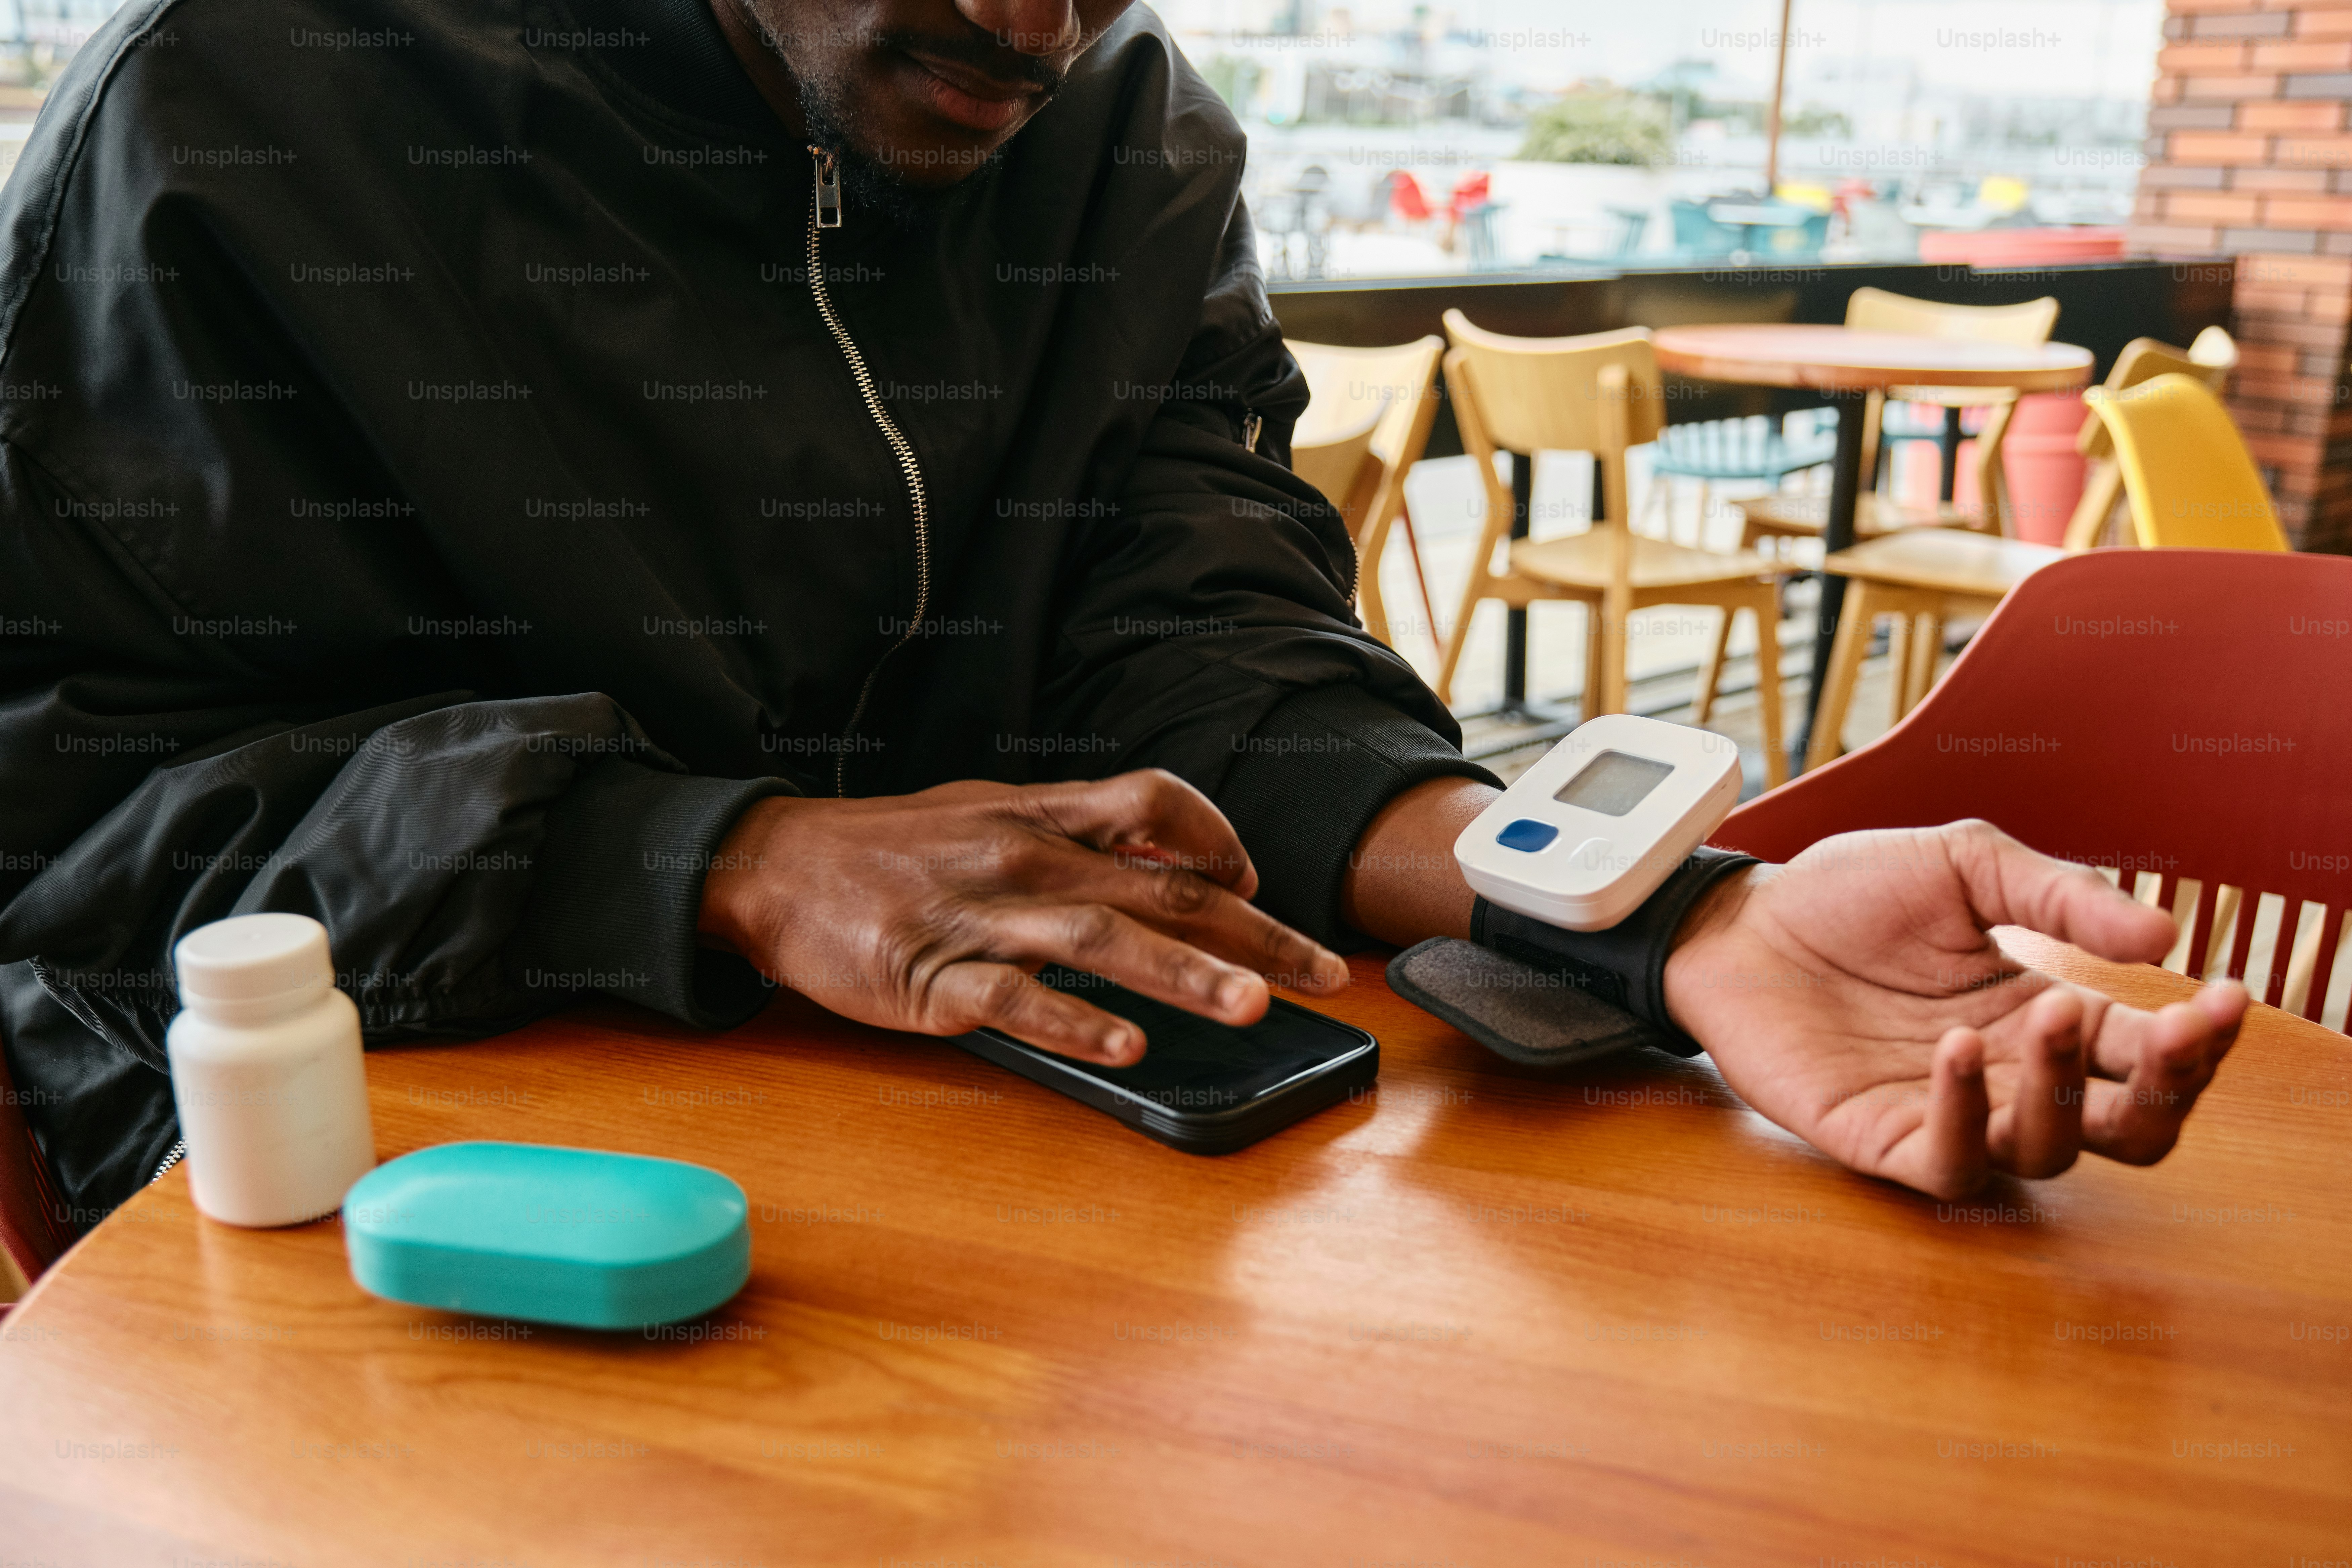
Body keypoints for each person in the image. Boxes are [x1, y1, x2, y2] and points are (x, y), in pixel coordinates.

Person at [0, 0, 2243, 1231]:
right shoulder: (230, 101)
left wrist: (1659, 924)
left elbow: (1198, 643)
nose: (1033, 19)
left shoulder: (1133, 132)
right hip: (384, 1177)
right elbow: (66, 816)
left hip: (1020, 1164)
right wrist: (730, 862)